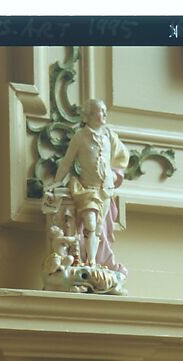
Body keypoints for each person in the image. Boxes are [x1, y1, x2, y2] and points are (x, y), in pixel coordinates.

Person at [46, 98, 130, 273]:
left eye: (106, 111)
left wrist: (114, 174)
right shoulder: (81, 136)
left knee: (98, 229)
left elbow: (123, 156)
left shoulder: (109, 135)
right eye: (100, 111)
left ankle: (92, 262)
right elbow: (67, 162)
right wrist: (56, 182)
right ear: (89, 115)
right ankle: (88, 262)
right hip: (87, 190)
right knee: (90, 224)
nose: (105, 114)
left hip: (105, 190)